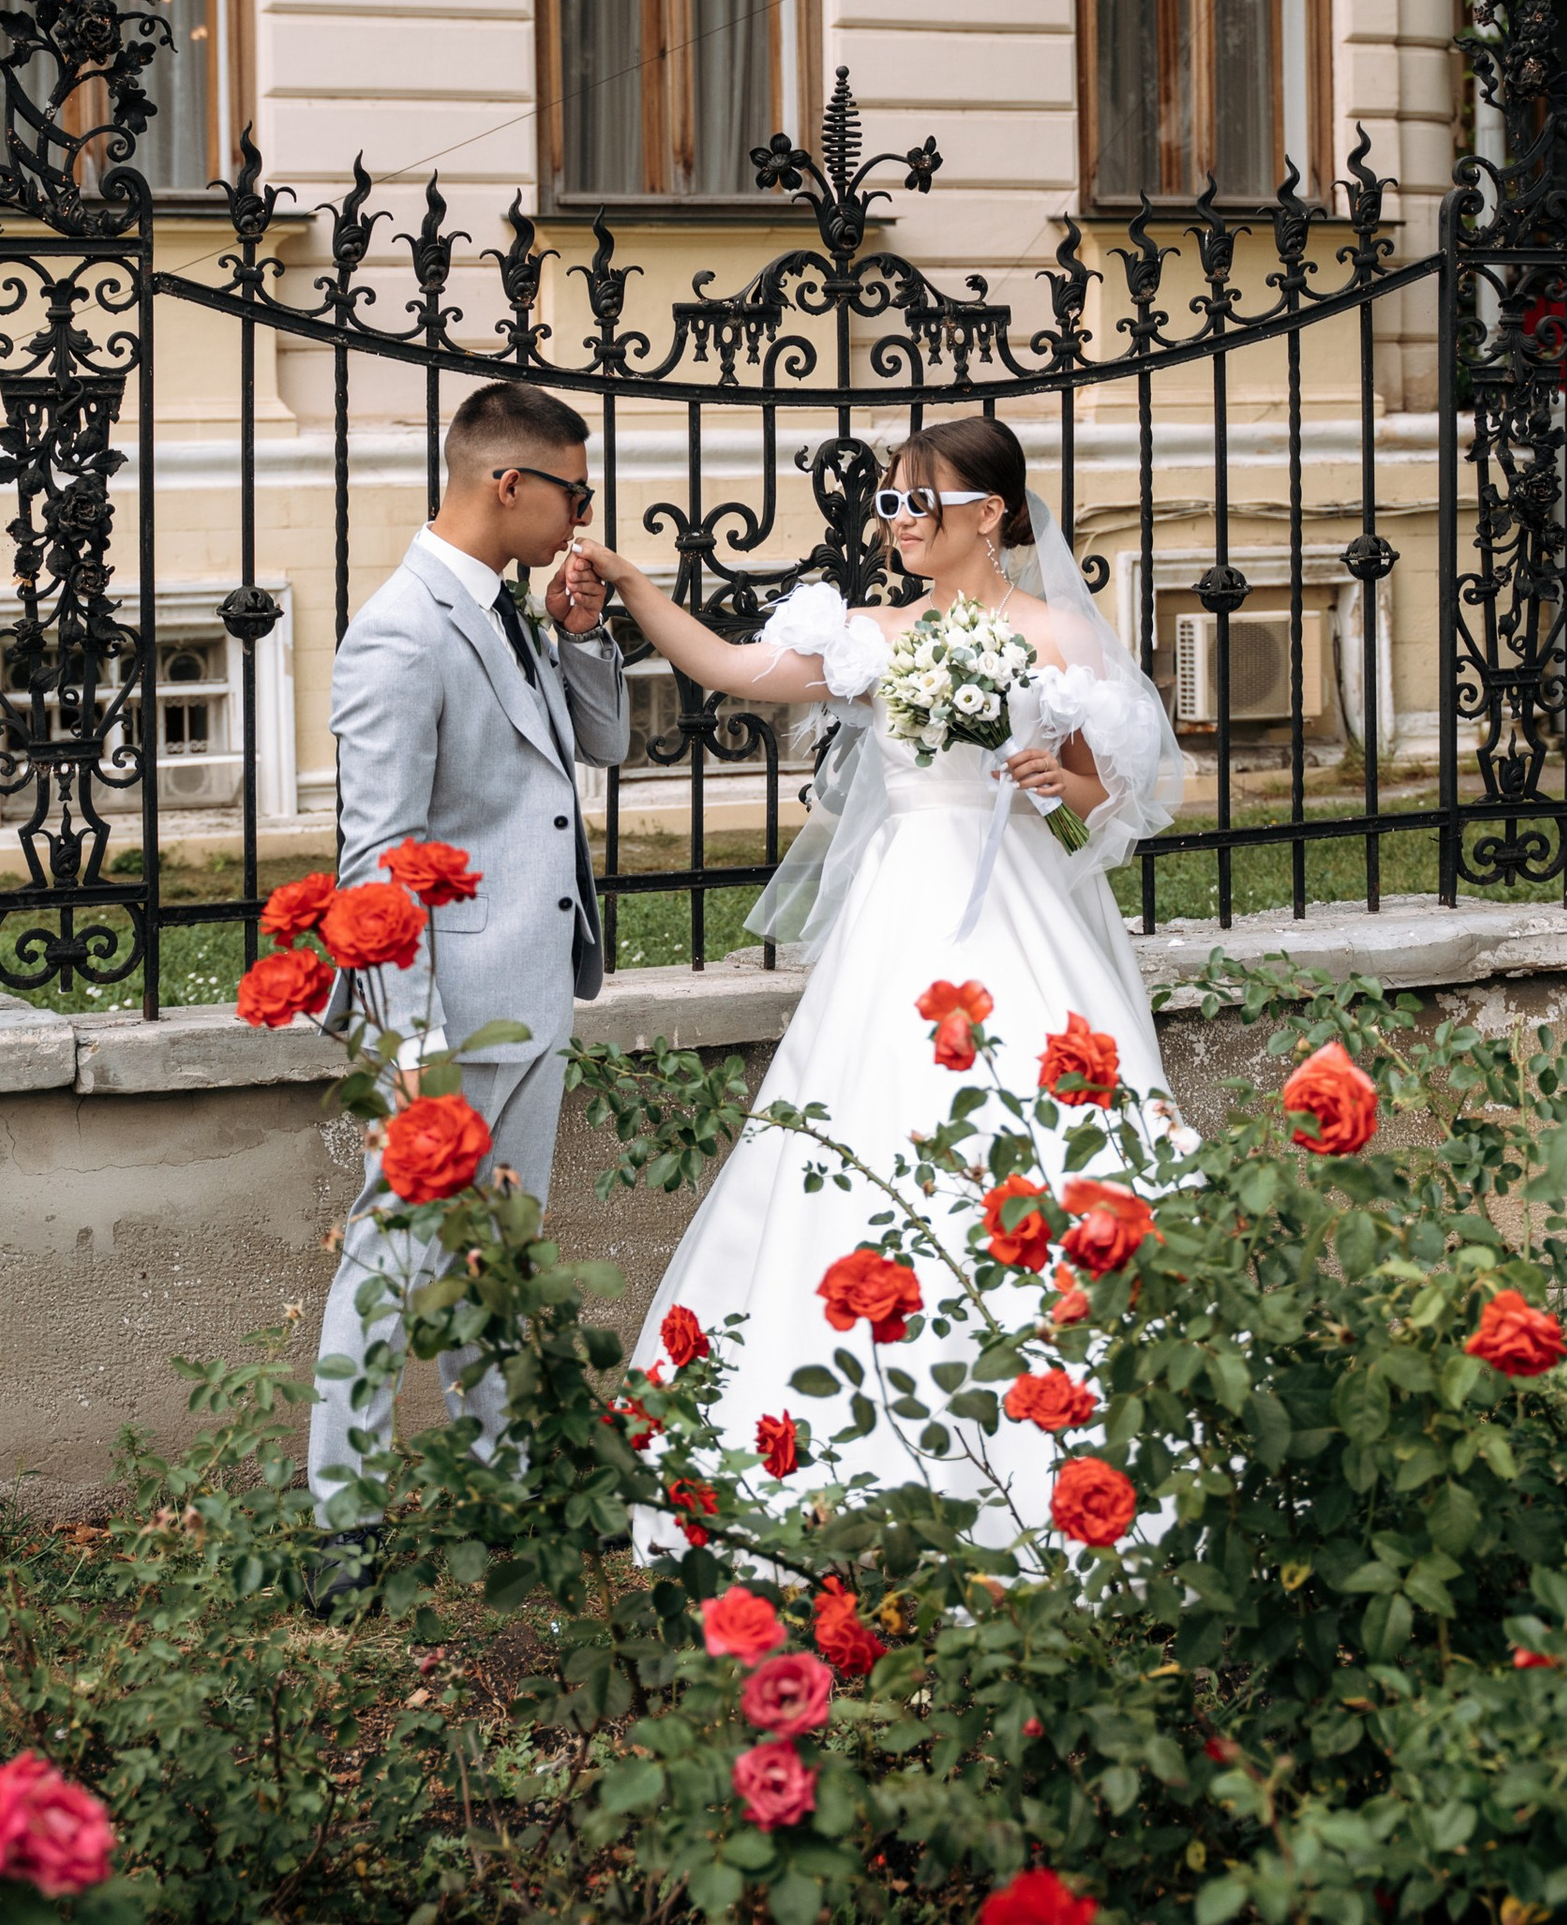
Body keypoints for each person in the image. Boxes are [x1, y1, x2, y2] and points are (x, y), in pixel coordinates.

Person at [568, 411, 1183, 1532]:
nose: (893, 521)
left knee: (1046, 1131)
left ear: (989, 514)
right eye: (889, 502)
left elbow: (1114, 803)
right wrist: (631, 585)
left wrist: (1057, 780)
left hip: (1015, 912)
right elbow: (729, 666)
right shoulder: (866, 633)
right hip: (901, 913)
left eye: (918, 501)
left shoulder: (1056, 638)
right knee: (866, 1123)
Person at [307, 379, 630, 1581]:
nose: (582, 519)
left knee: (505, 1255)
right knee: (390, 1253)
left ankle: (505, 1491)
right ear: (509, 484)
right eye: (574, 494)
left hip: (532, 986)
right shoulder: (402, 629)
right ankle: (343, 1518)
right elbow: (376, 858)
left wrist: (583, 633)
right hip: (447, 1012)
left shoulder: (508, 608)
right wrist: (411, 1046)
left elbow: (596, 746)